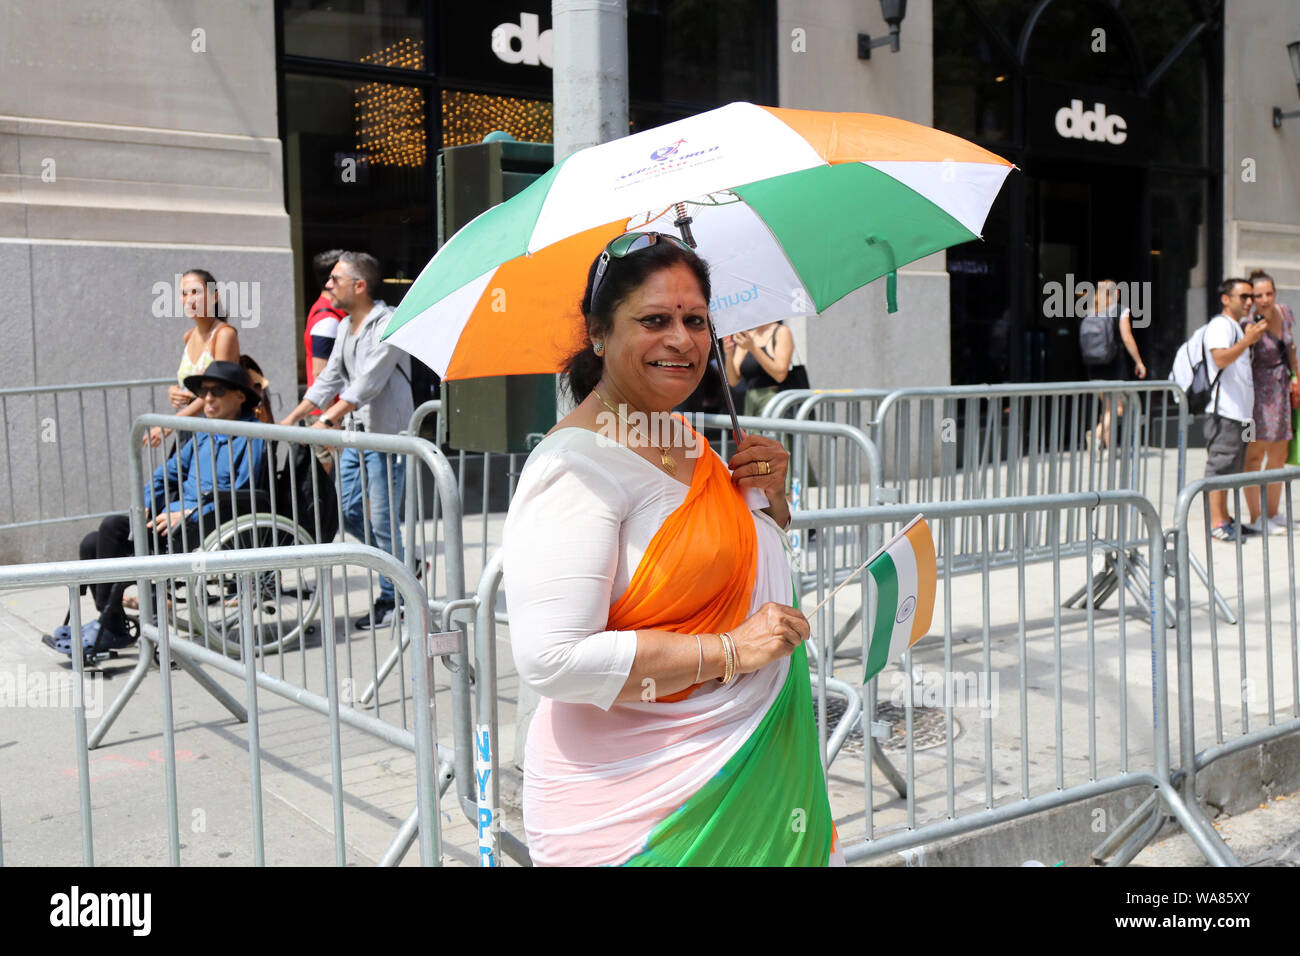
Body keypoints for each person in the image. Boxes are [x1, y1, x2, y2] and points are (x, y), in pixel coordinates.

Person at [502, 231, 838, 866]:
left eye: (696, 320)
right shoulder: (574, 468)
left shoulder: (683, 436)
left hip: (752, 770)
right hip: (641, 810)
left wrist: (773, 501)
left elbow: (729, 565)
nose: (682, 340)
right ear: (598, 334)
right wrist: (733, 651)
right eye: (654, 320)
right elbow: (551, 659)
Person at [44, 362, 267, 656]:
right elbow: (167, 474)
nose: (207, 398)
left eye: (217, 391)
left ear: (240, 396)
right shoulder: (202, 434)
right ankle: (112, 621)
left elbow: (241, 494)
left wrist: (187, 513)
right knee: (92, 544)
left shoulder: (252, 438)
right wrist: (148, 504)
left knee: (111, 528)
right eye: (204, 391)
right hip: (170, 523)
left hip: (206, 526)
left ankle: (110, 626)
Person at [279, 251, 412, 630]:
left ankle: (395, 597)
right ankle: (400, 563)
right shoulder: (343, 327)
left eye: (336, 279)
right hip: (356, 435)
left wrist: (325, 420)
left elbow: (367, 383)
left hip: (387, 438)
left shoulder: (388, 324)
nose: (328, 285)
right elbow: (330, 378)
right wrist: (292, 418)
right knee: (348, 511)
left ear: (360, 285)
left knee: (384, 521)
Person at [1201, 278, 1268, 542]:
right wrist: (1248, 340)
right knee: (1220, 468)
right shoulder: (1220, 325)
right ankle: (1216, 522)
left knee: (1235, 468)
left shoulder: (1238, 327)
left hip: (1244, 414)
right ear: (1226, 299)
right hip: (1226, 413)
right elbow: (1219, 359)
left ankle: (1226, 518)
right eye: (1244, 297)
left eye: (1251, 296)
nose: (1250, 301)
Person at [146, 269, 242, 448]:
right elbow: (192, 385)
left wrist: (170, 424)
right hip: (189, 429)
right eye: (184, 293)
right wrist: (174, 391)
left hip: (216, 433)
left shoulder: (224, 335)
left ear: (214, 297)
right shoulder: (188, 336)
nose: (189, 299)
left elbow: (218, 389)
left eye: (195, 292)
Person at [1242, 269, 1300, 534]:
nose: (1264, 299)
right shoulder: (1249, 322)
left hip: (1282, 389)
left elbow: (1291, 348)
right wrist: (1252, 334)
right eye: (1258, 295)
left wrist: (1296, 376)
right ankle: (1256, 517)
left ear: (1275, 293)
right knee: (1254, 455)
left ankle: (1273, 512)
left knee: (1279, 452)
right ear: (1252, 298)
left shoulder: (1285, 311)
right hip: (1256, 393)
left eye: (1268, 293)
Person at [1084, 279, 1147, 448]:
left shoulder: (1092, 311)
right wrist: (1138, 361)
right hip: (1113, 366)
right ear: (1115, 293)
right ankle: (1096, 434)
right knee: (1118, 408)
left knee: (1107, 409)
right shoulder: (1120, 310)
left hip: (1095, 366)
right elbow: (1127, 337)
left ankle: (1109, 450)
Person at [725, 320, 809, 418]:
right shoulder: (747, 336)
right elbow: (733, 381)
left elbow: (780, 375)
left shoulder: (781, 332)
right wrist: (729, 354)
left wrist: (753, 349)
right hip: (751, 401)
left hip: (775, 401)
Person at [305, 249, 347, 390]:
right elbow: (319, 373)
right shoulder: (328, 320)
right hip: (329, 408)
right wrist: (329, 412)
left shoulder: (328, 309)